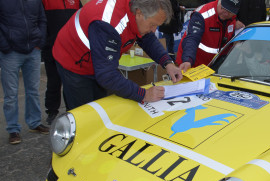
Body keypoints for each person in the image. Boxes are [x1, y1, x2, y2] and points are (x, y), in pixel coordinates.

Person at [53, 0, 183, 111]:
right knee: (84, 113)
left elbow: (147, 39)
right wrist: (143, 94)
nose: (154, 30)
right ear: (139, 13)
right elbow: (106, 75)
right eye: (152, 25)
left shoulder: (140, 12)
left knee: (102, 105)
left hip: (98, 59)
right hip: (73, 60)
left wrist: (168, 63)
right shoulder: (109, 24)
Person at [0, 1, 49, 145]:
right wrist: (4, 46)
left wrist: (40, 42)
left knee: (33, 90)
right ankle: (13, 130)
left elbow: (42, 20)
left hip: (33, 50)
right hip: (10, 53)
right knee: (11, 94)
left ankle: (34, 123)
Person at [42, 0, 82, 125]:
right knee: (53, 82)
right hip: (51, 49)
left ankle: (71, 110)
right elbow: (41, 22)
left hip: (71, 50)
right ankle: (52, 111)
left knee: (70, 82)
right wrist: (45, 43)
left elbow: (80, 18)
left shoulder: (75, 1)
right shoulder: (46, 1)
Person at [176, 0, 240, 72]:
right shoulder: (201, 14)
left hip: (212, 65)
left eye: (230, 11)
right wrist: (188, 59)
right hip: (192, 64)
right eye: (224, 8)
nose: (226, 14)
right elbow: (192, 39)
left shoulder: (233, 18)